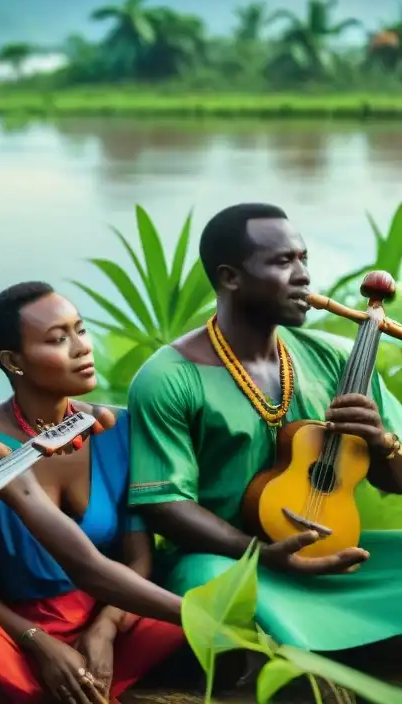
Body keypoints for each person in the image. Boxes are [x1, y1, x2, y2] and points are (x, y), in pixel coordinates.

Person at [127, 202, 402, 653]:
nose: (304, 276)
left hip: (333, 557)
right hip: (229, 561)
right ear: (230, 277)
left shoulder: (337, 358)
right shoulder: (169, 377)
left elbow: (396, 478)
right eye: (282, 262)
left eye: (303, 259)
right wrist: (260, 552)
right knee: (212, 590)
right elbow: (165, 503)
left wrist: (382, 441)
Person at [0, 282, 184, 704]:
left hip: (108, 609)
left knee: (184, 609)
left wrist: (106, 628)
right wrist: (38, 642)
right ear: (12, 361)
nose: (82, 348)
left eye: (81, 330)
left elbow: (138, 555)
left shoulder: (118, 428)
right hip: (15, 626)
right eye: (59, 339)